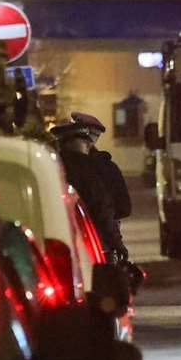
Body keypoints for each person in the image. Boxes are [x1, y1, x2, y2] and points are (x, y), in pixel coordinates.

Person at [53, 112, 132, 262]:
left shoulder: (51, 168)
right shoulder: (92, 170)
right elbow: (105, 208)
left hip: (59, 246)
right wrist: (116, 243)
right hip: (96, 244)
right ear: (88, 142)